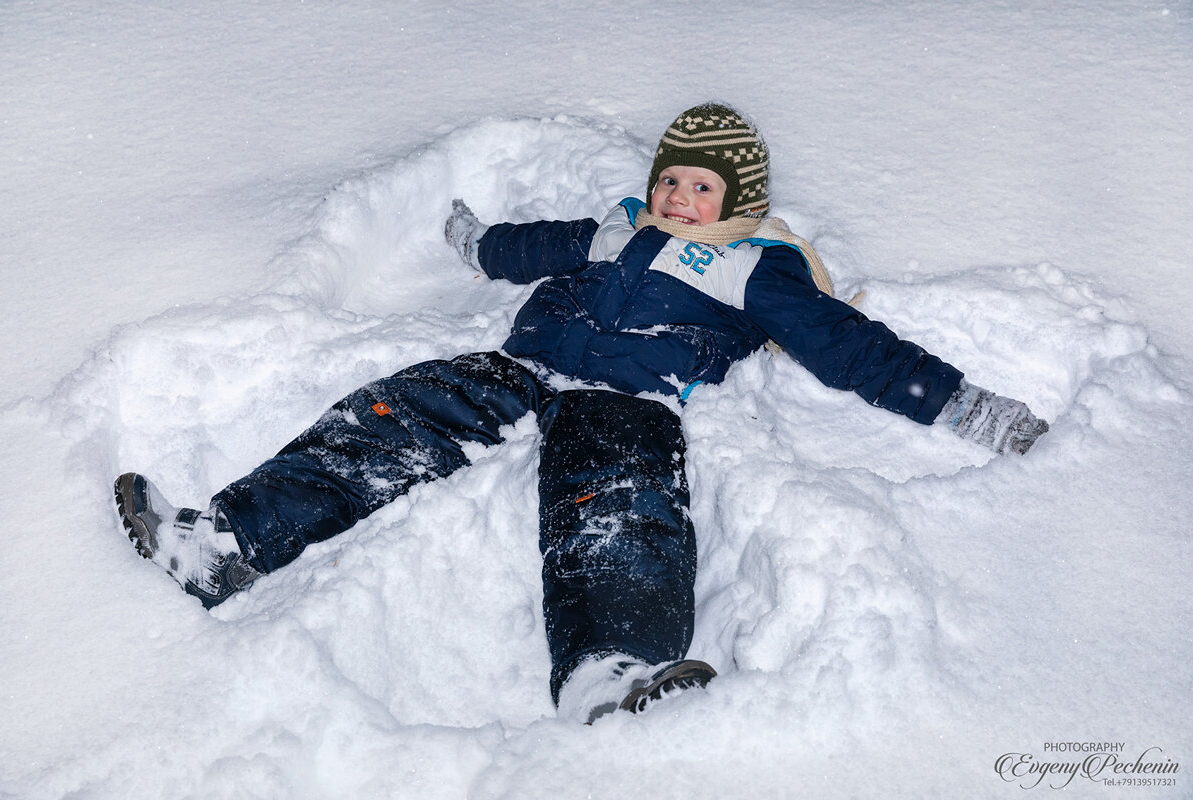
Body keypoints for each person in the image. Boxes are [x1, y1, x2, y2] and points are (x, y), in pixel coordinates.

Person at [114, 102, 1048, 724]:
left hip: (629, 399)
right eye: (672, 180)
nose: (679, 198)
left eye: (701, 189)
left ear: (739, 201)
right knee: (387, 416)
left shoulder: (758, 268)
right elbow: (537, 246)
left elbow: (854, 349)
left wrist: (966, 407)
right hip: (521, 368)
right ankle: (222, 545)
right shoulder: (619, 225)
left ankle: (614, 671)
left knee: (616, 506)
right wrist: (478, 243)